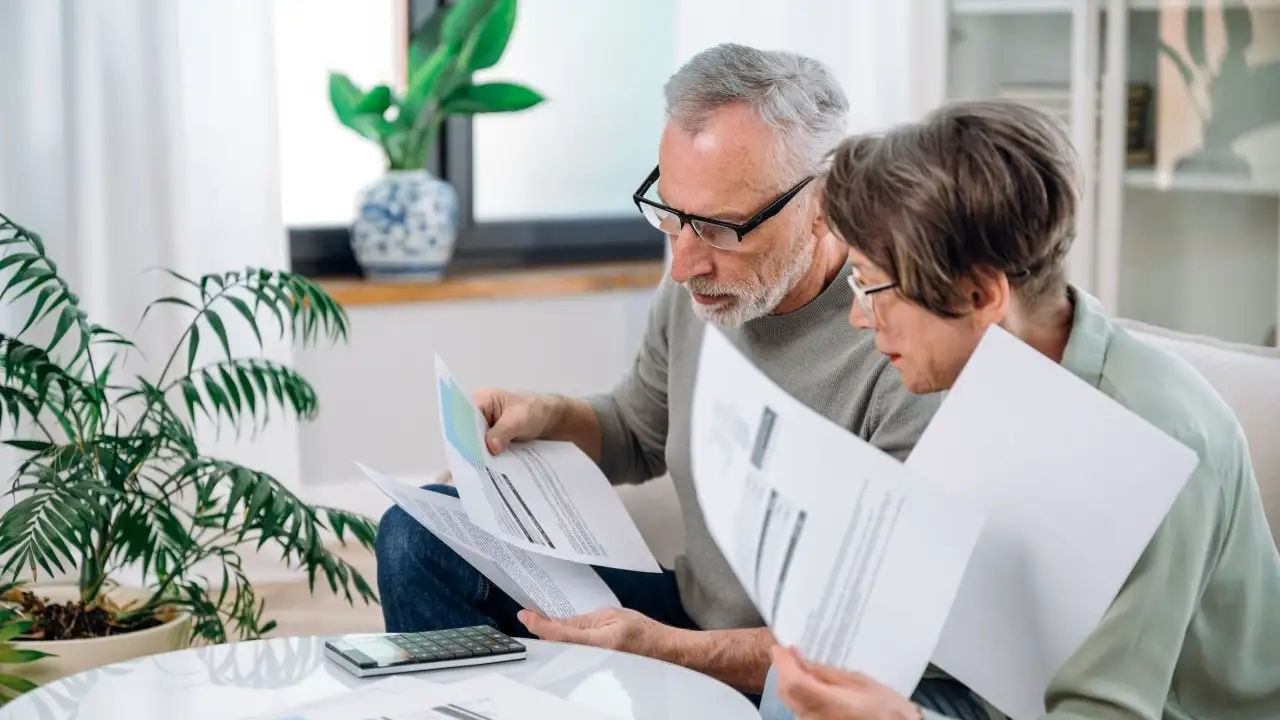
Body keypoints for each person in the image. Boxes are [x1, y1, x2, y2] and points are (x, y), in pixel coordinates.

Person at [373, 43, 941, 696]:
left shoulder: (908, 343)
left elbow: (875, 641)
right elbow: (639, 429)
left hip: (796, 671)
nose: (683, 265)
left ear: (824, 201)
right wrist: (549, 416)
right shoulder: (702, 279)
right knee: (416, 533)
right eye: (670, 214)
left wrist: (666, 652)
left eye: (722, 229)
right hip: (686, 616)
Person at [760, 99, 1280, 719]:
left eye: (872, 286)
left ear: (981, 295)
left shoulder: (1150, 444)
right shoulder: (989, 368)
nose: (857, 315)